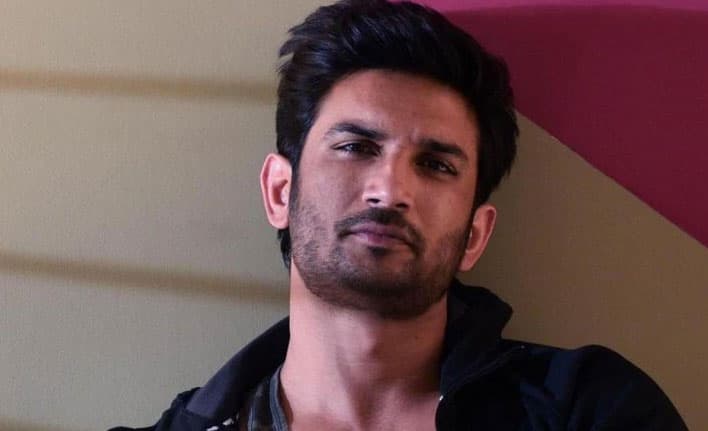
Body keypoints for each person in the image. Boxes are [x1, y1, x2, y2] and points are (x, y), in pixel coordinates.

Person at [112, 1, 687, 430]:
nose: (389, 191)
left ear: (475, 235)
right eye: (355, 147)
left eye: (435, 165)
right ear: (280, 192)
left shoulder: (593, 409)